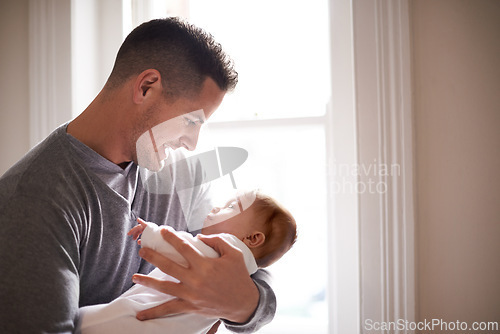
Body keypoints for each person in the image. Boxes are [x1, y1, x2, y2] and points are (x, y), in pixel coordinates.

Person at [0, 18, 276, 333]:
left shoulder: (181, 177)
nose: (192, 143)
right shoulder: (35, 201)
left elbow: (251, 256)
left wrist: (245, 303)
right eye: (190, 121)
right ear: (146, 87)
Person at [78, 190, 297, 334]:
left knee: (86, 322)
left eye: (230, 207)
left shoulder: (224, 247)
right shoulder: (243, 266)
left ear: (253, 238)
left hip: (146, 315)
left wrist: (152, 234)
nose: (215, 209)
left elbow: (181, 244)